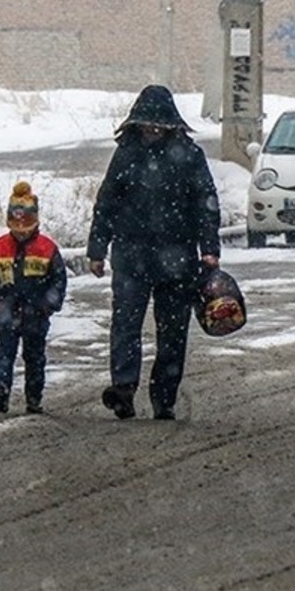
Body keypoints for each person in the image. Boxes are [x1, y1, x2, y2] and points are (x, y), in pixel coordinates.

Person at [86, 85, 222, 421]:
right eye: (147, 124)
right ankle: (123, 390)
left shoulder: (189, 156)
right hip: (131, 257)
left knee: (173, 331)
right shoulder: (126, 153)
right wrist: (97, 249)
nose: (151, 130)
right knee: (125, 326)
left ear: (171, 124)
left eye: (157, 125)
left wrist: (210, 249)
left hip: (178, 260)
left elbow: (206, 205)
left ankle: (165, 397)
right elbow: (106, 204)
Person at [0, 181, 68, 414]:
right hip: (7, 311)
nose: (21, 230)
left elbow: (58, 280)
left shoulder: (47, 248)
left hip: (36, 314)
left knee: (35, 356)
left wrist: (48, 305)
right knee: (5, 352)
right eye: (16, 224)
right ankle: (1, 387)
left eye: (26, 224)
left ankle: (33, 398)